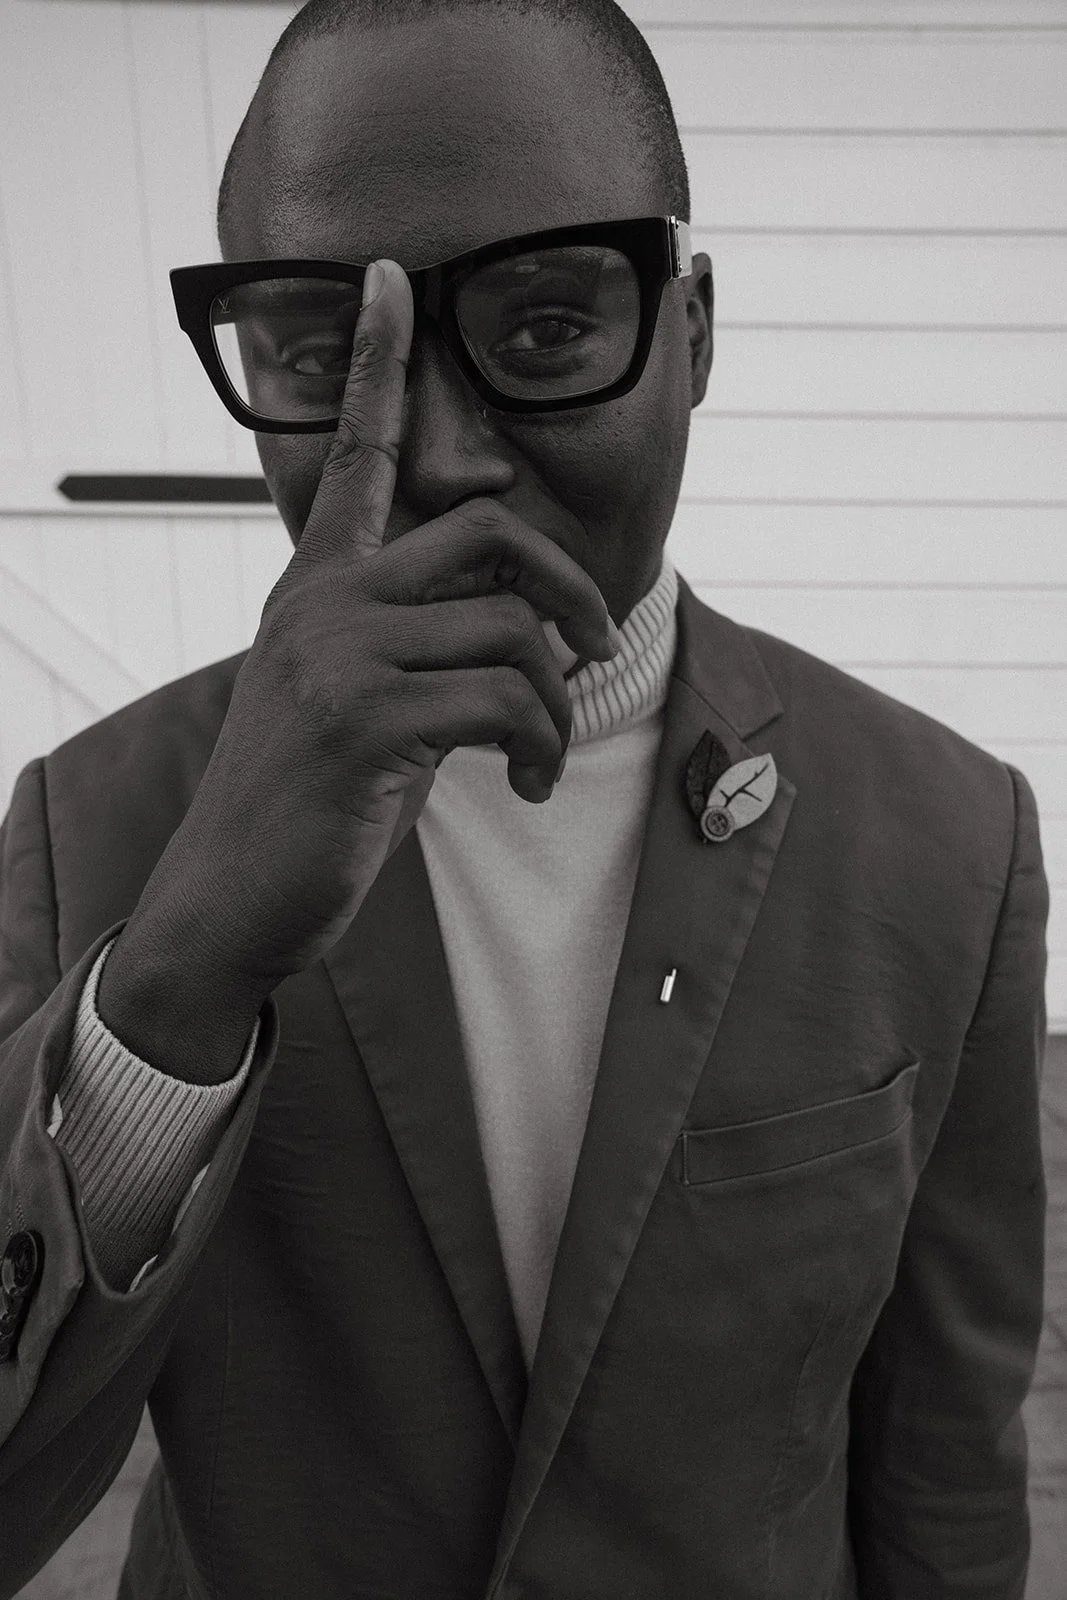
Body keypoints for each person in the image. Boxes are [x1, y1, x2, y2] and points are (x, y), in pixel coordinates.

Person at [0, 1, 1049, 1595]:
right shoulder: (98, 821)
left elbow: (944, 1477)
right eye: (312, 351)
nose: (428, 457)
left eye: (547, 328)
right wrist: (176, 984)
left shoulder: (946, 841)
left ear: (691, 327)